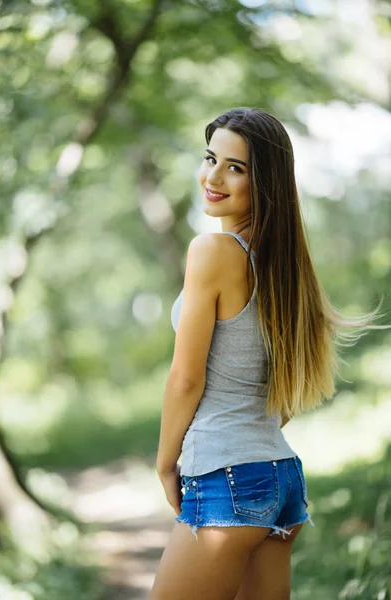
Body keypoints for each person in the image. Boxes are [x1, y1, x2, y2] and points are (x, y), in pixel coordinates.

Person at [150, 107, 386, 600]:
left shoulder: (212, 252)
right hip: (281, 479)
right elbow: (286, 394)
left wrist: (165, 462)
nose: (213, 177)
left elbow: (185, 379)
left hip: (225, 478)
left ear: (266, 182)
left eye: (236, 168)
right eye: (211, 158)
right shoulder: (285, 267)